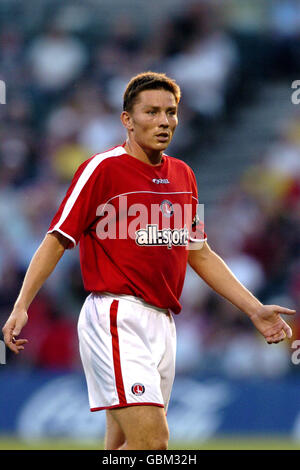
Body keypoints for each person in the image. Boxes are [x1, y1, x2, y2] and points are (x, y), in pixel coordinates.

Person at [2, 72, 296, 450]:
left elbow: (200, 253)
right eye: (152, 111)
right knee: (153, 442)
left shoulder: (183, 175)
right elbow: (56, 239)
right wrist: (22, 304)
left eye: (171, 112)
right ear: (127, 119)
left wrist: (254, 309)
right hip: (116, 315)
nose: (164, 121)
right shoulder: (102, 168)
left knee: (122, 445)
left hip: (163, 322)